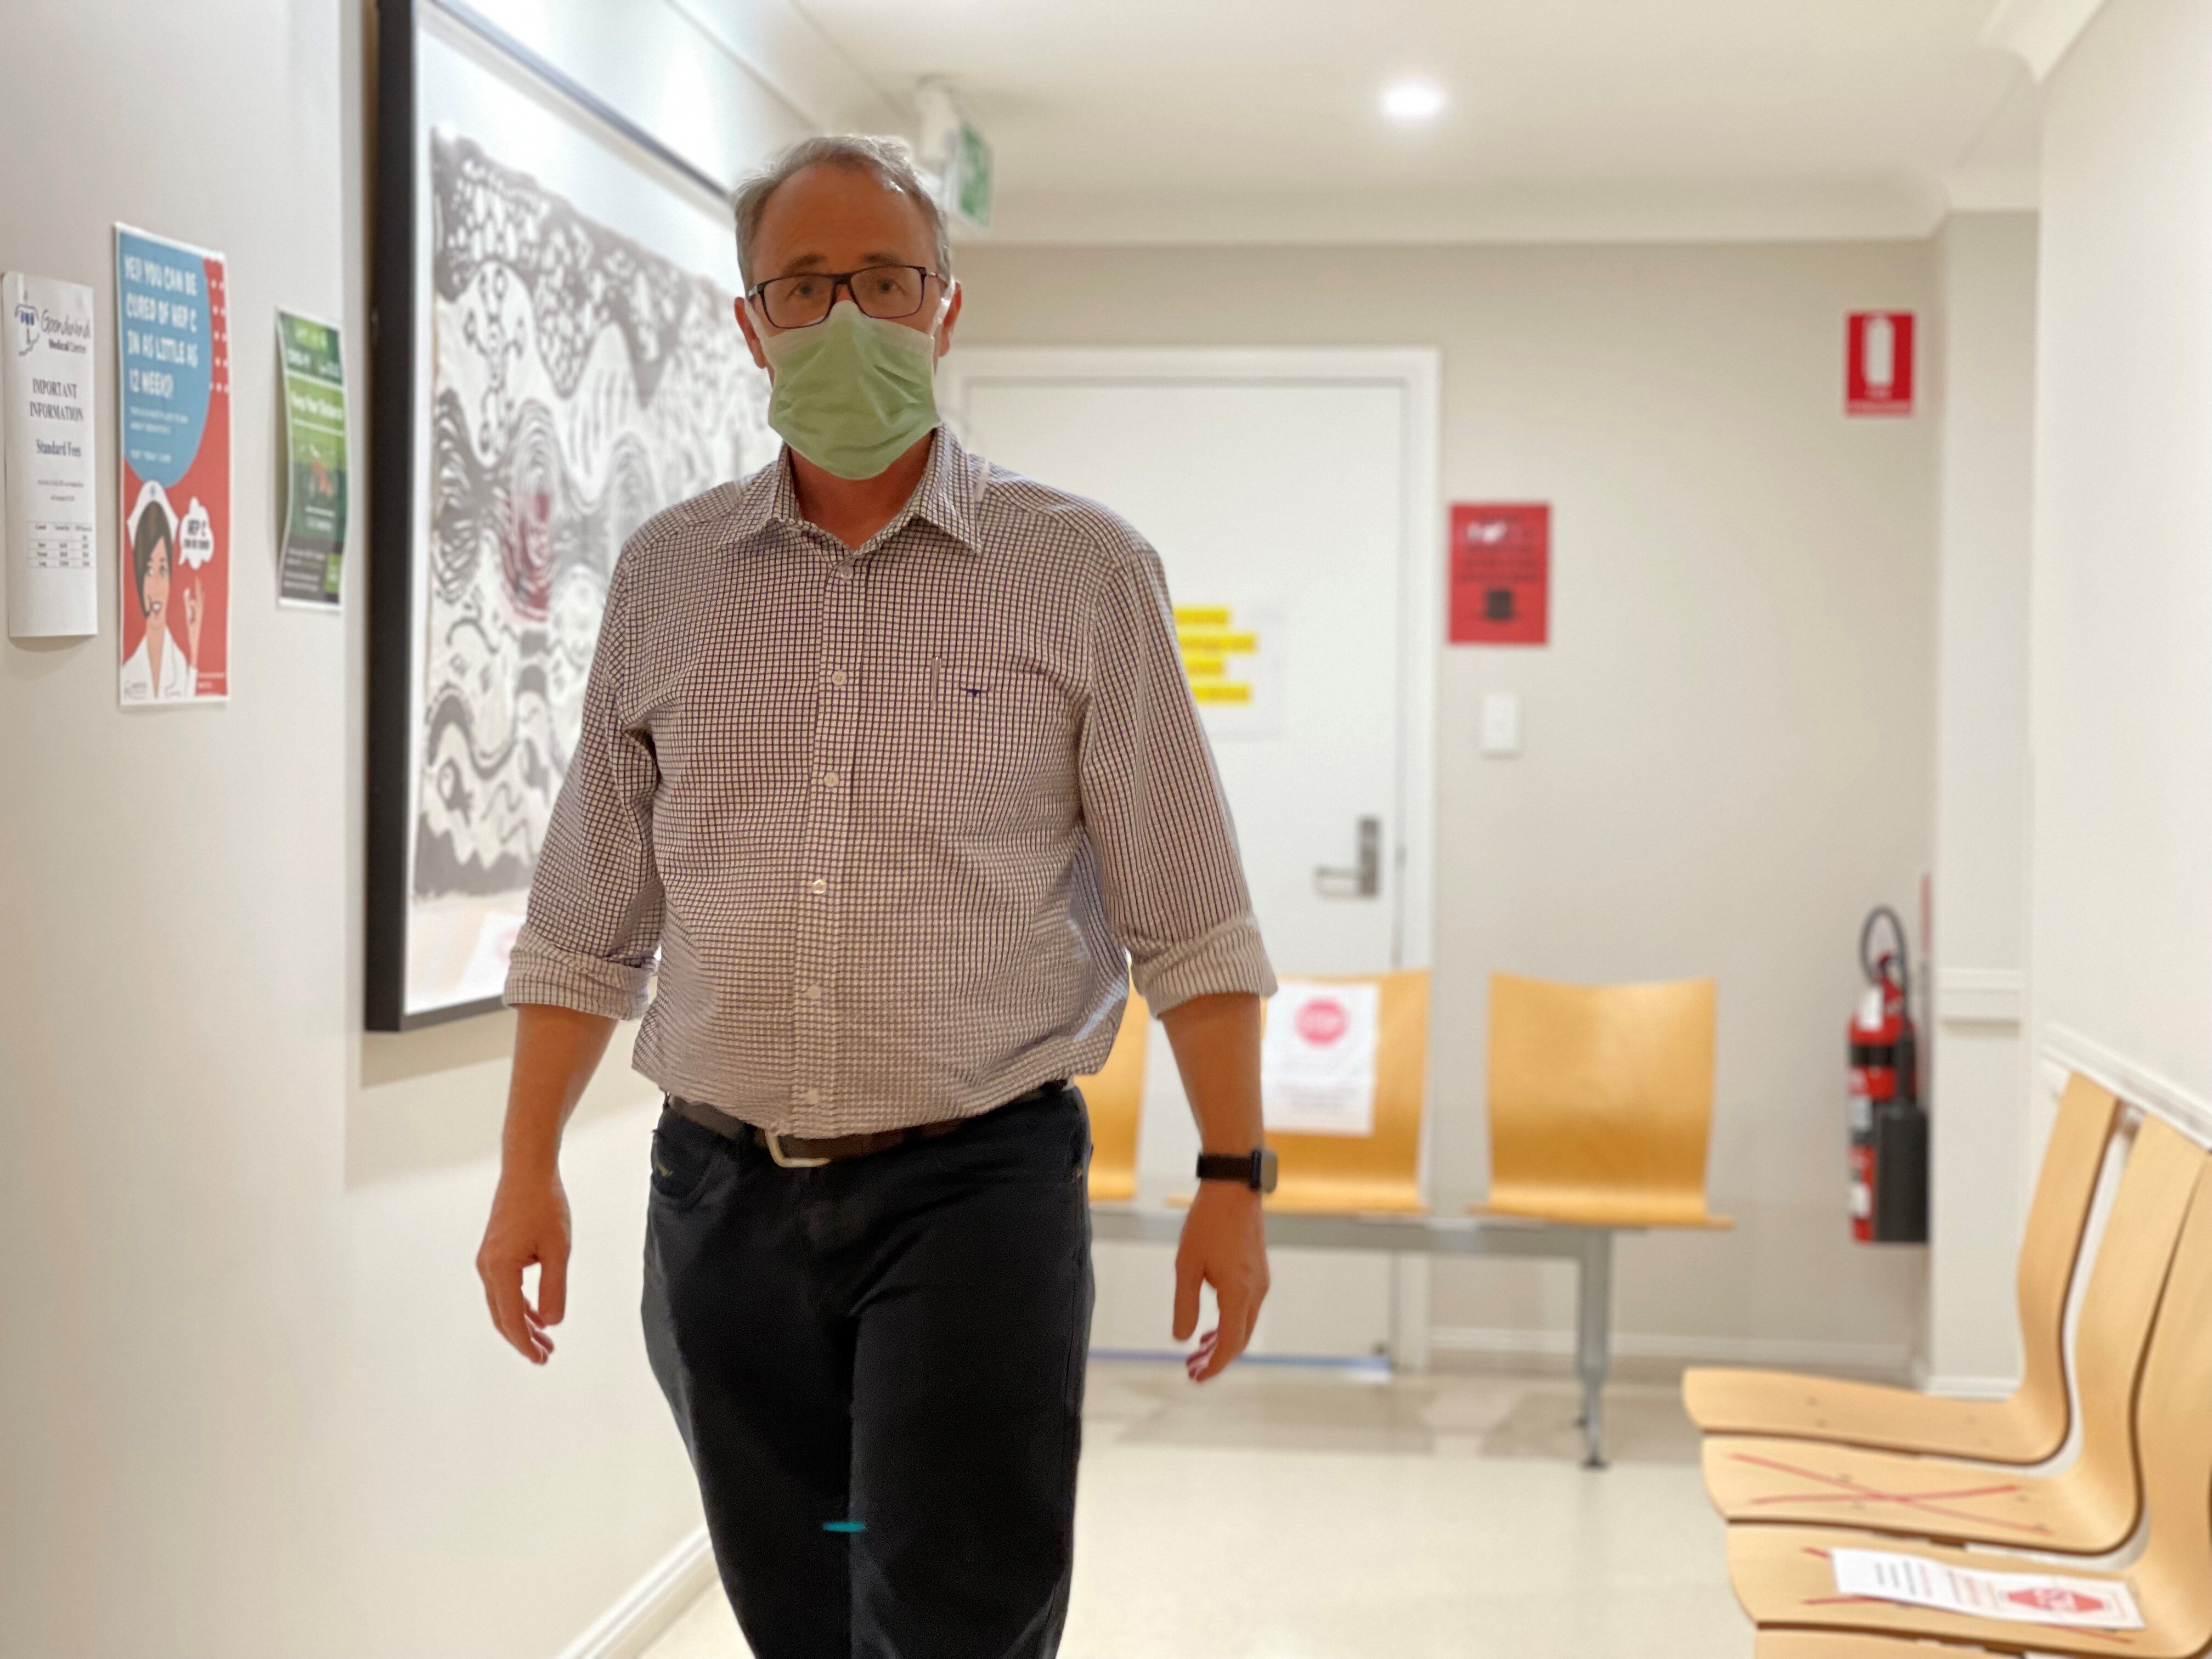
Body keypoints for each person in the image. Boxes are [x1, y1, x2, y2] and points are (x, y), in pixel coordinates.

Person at [475, 133, 1278, 1658]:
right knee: (795, 1617)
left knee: (955, 1621)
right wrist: (526, 1167)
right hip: (720, 1202)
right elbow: (587, 915)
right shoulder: (668, 578)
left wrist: (1234, 1182)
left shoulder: (1081, 570)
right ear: (749, 320)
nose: (849, 318)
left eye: (888, 281)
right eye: (806, 284)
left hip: (972, 1189)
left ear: (948, 308)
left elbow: (1191, 909)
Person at [119, 493, 199, 702]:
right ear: (138, 578)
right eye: (148, 570)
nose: (156, 585)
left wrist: (195, 651)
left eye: (163, 570)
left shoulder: (181, 664)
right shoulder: (127, 671)